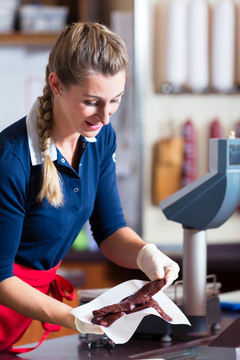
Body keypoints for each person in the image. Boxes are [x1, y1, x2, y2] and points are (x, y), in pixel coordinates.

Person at [0, 22, 179, 353]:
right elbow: (1, 280)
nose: (105, 117)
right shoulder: (12, 160)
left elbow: (110, 231)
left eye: (115, 100)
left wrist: (146, 254)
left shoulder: (98, 138)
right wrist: (74, 317)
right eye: (92, 102)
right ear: (56, 84)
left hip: (24, 313)